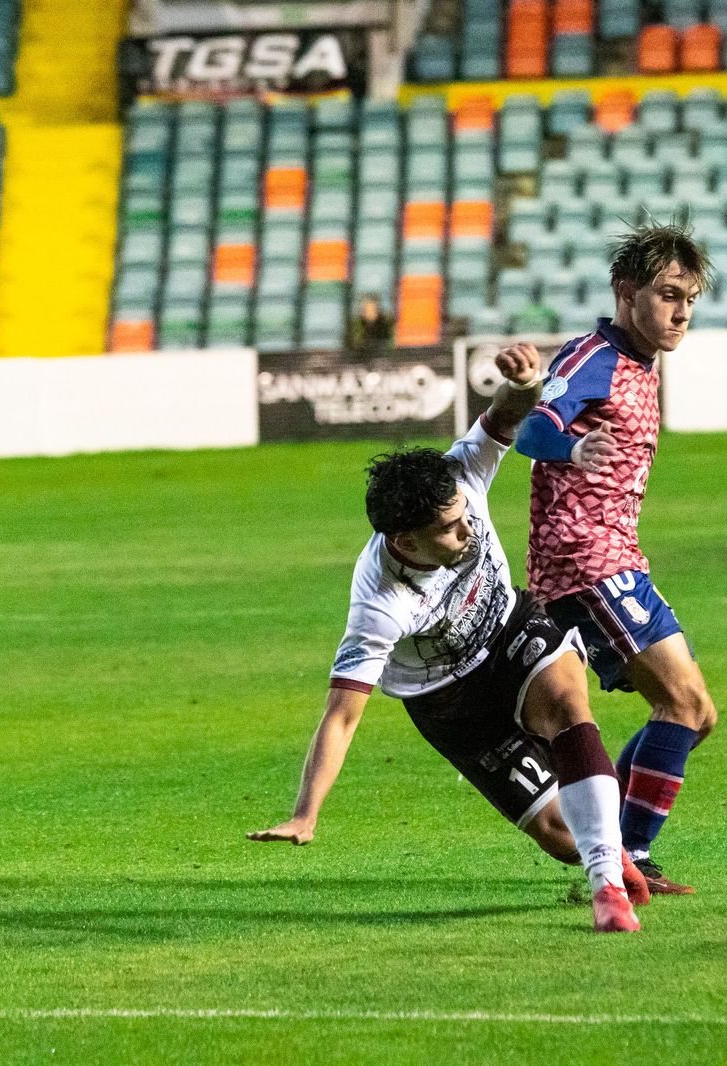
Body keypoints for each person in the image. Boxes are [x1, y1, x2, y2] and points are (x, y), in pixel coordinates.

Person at [249, 342, 648, 933]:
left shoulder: (460, 472)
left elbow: (506, 415)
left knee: (567, 705)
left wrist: (526, 383)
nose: (468, 530)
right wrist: (306, 814)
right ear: (405, 541)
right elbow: (342, 717)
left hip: (509, 628)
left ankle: (607, 885)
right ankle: (607, 854)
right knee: (562, 835)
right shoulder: (381, 604)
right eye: (448, 528)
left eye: (465, 515)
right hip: (448, 700)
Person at [513, 217, 717, 895]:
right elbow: (532, 430)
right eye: (668, 295)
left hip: (618, 556)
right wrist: (571, 446)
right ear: (626, 291)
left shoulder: (641, 361)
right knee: (682, 704)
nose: (681, 312)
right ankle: (626, 856)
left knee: (696, 716)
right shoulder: (591, 358)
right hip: (583, 560)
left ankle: (610, 846)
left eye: (689, 299)